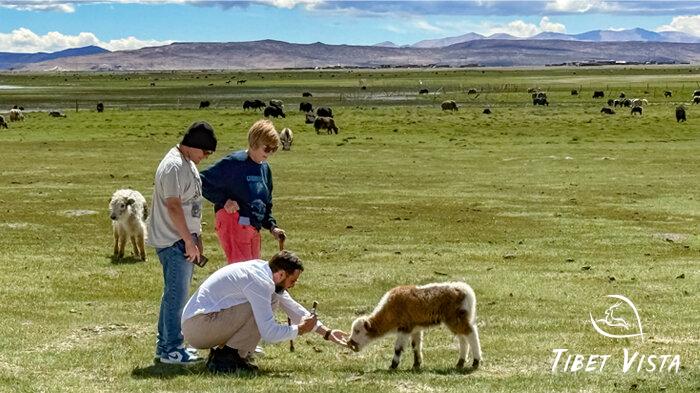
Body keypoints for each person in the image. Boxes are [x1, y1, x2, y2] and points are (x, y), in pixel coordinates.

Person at [181, 250, 348, 373]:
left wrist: (327, 333)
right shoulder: (259, 283)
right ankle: (226, 360)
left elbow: (292, 307)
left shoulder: (265, 272)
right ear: (281, 274)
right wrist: (298, 330)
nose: (293, 284)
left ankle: (229, 356)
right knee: (268, 302)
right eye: (292, 280)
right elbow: (269, 332)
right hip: (198, 327)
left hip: (199, 324)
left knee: (273, 298)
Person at [147, 121, 217, 365]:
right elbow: (174, 206)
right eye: (205, 152)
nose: (205, 157)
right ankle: (170, 348)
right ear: (194, 146)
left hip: (185, 240)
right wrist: (188, 240)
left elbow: (192, 205)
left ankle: (167, 345)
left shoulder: (188, 164)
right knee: (176, 296)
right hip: (173, 240)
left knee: (176, 295)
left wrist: (197, 237)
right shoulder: (173, 166)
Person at [200, 119, 286, 264]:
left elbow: (266, 203)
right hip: (234, 222)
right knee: (242, 272)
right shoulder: (234, 162)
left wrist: (272, 227)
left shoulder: (265, 169)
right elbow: (201, 180)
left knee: (253, 270)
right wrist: (224, 201)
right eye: (266, 148)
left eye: (273, 149)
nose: (269, 153)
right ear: (255, 142)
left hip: (253, 227)